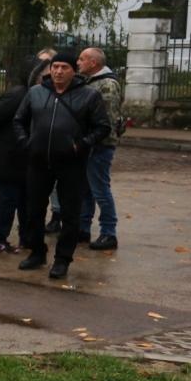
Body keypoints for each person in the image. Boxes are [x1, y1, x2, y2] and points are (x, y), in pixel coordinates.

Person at [13, 51, 111, 280]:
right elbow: (19, 120)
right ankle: (37, 252)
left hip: (71, 163)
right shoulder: (36, 93)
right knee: (34, 210)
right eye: (55, 67)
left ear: (73, 71)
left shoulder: (88, 96)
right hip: (38, 160)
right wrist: (26, 143)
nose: (58, 71)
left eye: (64, 67)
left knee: (70, 213)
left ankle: (62, 259)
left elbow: (102, 127)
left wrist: (80, 146)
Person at [0, 60, 34, 254]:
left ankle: (26, 238)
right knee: (8, 199)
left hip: (22, 158)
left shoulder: (36, 94)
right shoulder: (18, 95)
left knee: (25, 199)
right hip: (6, 157)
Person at [77, 47, 122, 251]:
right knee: (85, 189)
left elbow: (108, 119)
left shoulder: (108, 84)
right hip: (88, 143)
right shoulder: (88, 81)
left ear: (93, 63)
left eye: (82, 59)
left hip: (100, 145)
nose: (78, 62)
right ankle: (83, 228)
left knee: (100, 189)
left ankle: (108, 232)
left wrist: (95, 140)